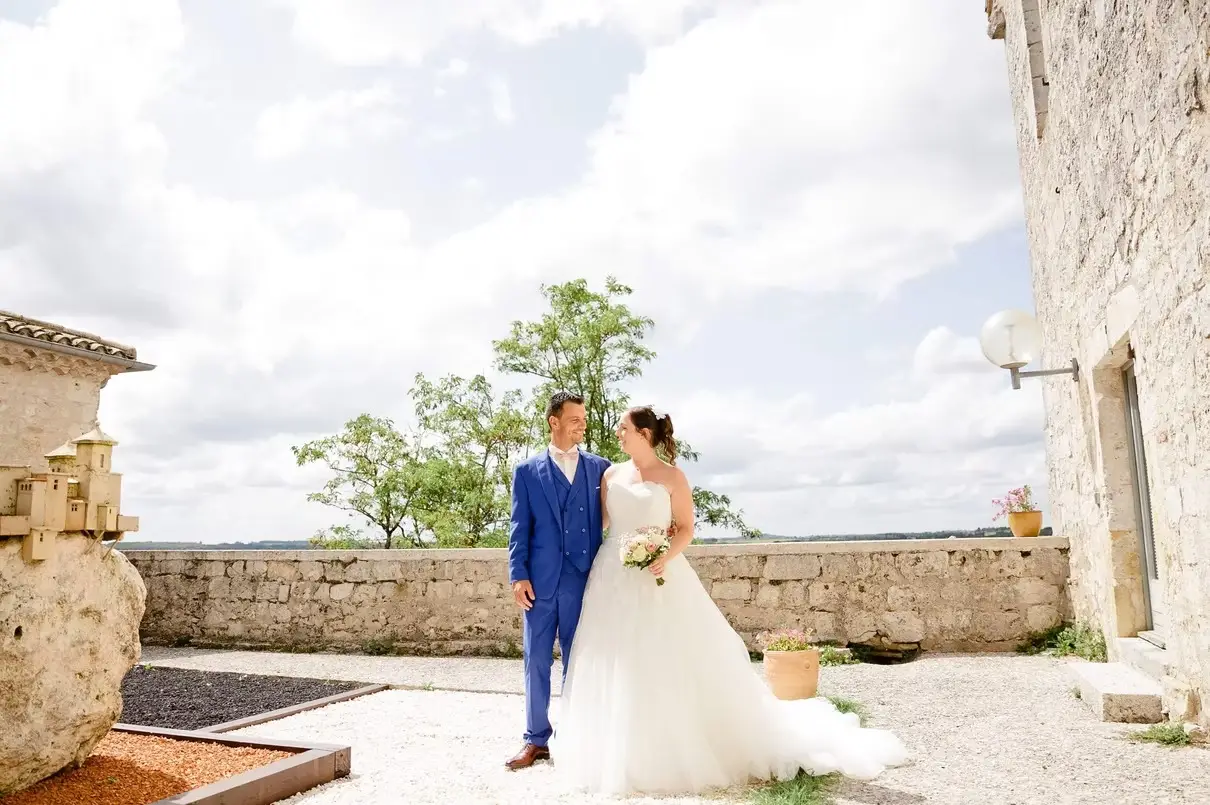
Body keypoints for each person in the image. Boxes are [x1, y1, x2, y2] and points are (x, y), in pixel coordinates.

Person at [548, 405, 909, 794]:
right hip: (612, 576)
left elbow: (686, 529)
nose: (617, 433)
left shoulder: (673, 477)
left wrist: (662, 554)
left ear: (644, 434)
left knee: (664, 655)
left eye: (623, 428)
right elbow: (602, 525)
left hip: (660, 574)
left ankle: (671, 750)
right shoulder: (610, 475)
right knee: (612, 656)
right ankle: (615, 751)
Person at [503, 391, 611, 770]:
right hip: (540, 583)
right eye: (575, 418)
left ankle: (577, 737)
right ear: (554, 421)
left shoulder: (600, 468)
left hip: (584, 580)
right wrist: (518, 575)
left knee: (579, 660)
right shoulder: (526, 472)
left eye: (584, 418)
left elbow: (616, 517)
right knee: (536, 660)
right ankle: (536, 740)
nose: (583, 424)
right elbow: (519, 528)